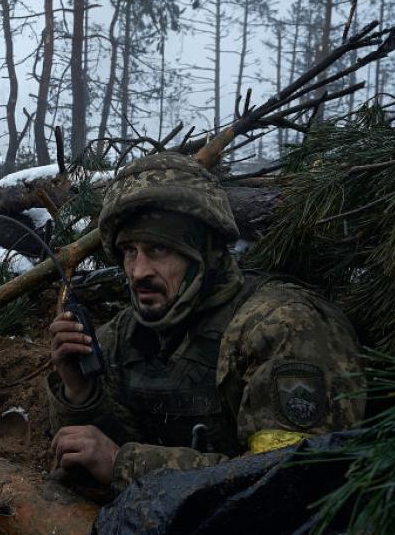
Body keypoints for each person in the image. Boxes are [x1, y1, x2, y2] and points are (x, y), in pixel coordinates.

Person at [47, 152, 365, 493]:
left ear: (206, 253)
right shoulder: (119, 337)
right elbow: (93, 458)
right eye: (129, 251)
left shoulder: (282, 327)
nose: (138, 271)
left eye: (158, 250)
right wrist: (80, 394)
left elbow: (290, 482)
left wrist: (124, 465)